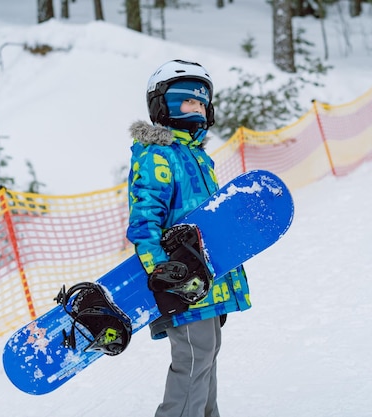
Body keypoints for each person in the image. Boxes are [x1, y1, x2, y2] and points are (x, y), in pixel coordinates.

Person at [126, 59, 252, 417]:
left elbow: (209, 226)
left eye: (201, 102)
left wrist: (223, 284)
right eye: (187, 101)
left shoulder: (197, 157)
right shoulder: (158, 155)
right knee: (194, 360)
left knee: (207, 354)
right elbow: (144, 221)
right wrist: (160, 270)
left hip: (206, 279)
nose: (196, 108)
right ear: (162, 105)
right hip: (180, 279)